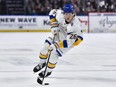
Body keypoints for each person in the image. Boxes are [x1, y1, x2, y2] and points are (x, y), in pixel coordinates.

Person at [33, 4, 83, 78]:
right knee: (46, 47)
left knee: (54, 53)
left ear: (73, 14)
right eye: (66, 14)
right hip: (61, 33)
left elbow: (68, 43)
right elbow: (52, 13)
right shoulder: (60, 15)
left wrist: (55, 45)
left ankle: (48, 71)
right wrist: (54, 26)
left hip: (73, 40)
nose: (67, 16)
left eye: (69, 14)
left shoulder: (75, 26)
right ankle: (42, 63)